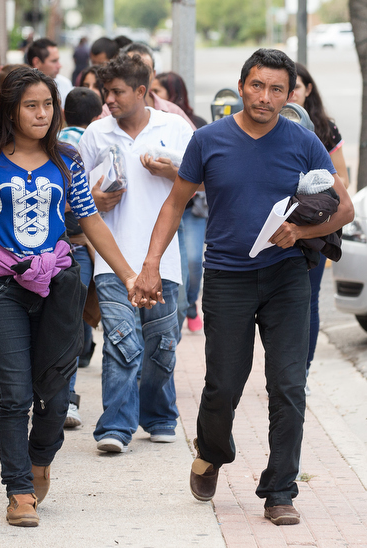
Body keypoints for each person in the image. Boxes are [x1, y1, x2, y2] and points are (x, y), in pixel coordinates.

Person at [133, 49, 353, 525]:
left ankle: (279, 491)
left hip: (288, 277)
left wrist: (301, 232)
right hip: (228, 277)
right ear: (241, 85)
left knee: (289, 385)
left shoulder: (304, 140)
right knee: (222, 386)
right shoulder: (208, 140)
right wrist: (150, 264)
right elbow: (175, 204)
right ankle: (212, 451)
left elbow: (344, 208)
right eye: (257, 85)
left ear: (290, 93)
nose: (266, 97)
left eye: (278, 89)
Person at [0, 66, 139, 527]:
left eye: (47, 104)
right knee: (14, 394)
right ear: (10, 110)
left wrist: (129, 274)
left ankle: (39, 459)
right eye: (30, 105)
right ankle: (18, 490)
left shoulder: (67, 159)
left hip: (58, 285)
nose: (41, 113)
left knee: (54, 396)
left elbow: (90, 220)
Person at [78, 53, 193, 452]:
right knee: (122, 342)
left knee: (161, 346)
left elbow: (210, 185)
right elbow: (74, 194)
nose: (108, 99)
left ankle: (160, 416)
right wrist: (94, 198)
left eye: (117, 92)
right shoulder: (95, 134)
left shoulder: (175, 128)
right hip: (113, 261)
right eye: (105, 92)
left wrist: (172, 174)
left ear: (141, 91)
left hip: (165, 261)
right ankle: (115, 427)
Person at [290, 62, 350, 391]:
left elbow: (343, 181)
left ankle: (303, 371)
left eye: (295, 86)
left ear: (307, 88)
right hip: (275, 229)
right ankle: (285, 368)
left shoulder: (325, 129)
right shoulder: (268, 124)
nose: (290, 93)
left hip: (317, 227)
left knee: (309, 299)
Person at [58, 87, 104, 428]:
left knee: (56, 326)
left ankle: (57, 397)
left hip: (48, 250)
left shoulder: (52, 142)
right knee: (73, 326)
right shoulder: (94, 143)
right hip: (80, 245)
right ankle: (67, 400)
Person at [151, 70, 208, 332]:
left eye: (158, 91)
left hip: (191, 208)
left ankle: (190, 304)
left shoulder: (191, 124)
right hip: (164, 207)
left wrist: (173, 172)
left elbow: (206, 176)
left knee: (194, 261)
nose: (152, 96)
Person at [122, 43, 196, 131]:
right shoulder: (109, 112)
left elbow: (195, 142)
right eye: (132, 70)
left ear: (154, 74)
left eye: (145, 70)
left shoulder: (173, 112)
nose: (139, 76)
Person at [25, 38, 73, 107]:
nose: (59, 65)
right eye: (54, 61)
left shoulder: (65, 84)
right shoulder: (22, 88)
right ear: (37, 62)